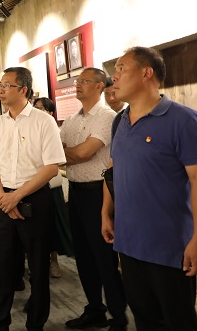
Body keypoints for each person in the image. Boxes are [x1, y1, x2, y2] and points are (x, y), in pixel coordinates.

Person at [101, 47, 197, 330]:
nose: (114, 76)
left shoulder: (183, 119)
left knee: (179, 322)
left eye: (121, 68)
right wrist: (106, 212)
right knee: (145, 319)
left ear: (146, 73)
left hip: (169, 247)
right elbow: (113, 170)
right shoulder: (119, 121)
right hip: (128, 244)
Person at [0, 67, 65, 331]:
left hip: (35, 199)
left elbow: (51, 167)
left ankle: (35, 323)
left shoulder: (43, 121)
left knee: (39, 266)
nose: (1, 90)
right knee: (3, 265)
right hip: (3, 199)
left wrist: (16, 196)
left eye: (7, 85)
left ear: (23, 90)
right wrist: (3, 198)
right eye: (0, 85)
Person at [61, 68, 127, 331]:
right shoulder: (71, 120)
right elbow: (54, 152)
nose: (77, 85)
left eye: (84, 81)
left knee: (104, 258)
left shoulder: (107, 117)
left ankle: (118, 317)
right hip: (76, 191)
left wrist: (66, 153)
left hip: (99, 193)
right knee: (83, 256)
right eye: (77, 81)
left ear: (100, 85)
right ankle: (94, 309)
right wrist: (69, 153)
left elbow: (84, 153)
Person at [32, 97, 74, 278]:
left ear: (50, 112)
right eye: (35, 107)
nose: (37, 110)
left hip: (50, 185)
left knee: (53, 226)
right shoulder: (29, 127)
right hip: (30, 184)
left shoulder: (53, 130)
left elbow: (59, 160)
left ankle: (53, 261)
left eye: (41, 108)